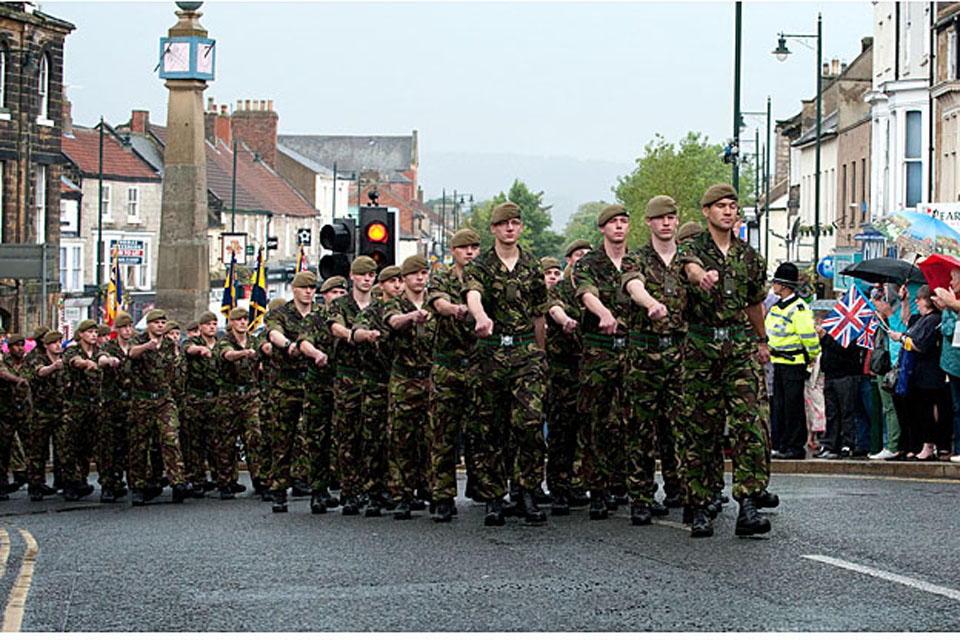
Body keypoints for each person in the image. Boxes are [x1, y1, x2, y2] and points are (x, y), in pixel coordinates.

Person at [678, 183, 773, 538]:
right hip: (702, 349)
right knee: (702, 428)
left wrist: (762, 340)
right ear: (706, 212)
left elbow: (753, 303)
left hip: (740, 349)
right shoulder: (693, 248)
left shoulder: (750, 257)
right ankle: (700, 505)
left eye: (733, 206)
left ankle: (748, 504)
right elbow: (689, 267)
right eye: (720, 206)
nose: (728, 211)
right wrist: (700, 277)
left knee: (750, 425)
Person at [463, 201, 549, 526]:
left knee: (529, 423)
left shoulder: (532, 266)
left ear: (521, 227)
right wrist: (481, 316)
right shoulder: (480, 266)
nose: (510, 228)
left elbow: (539, 313)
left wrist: (541, 355)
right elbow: (473, 293)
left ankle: (526, 490)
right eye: (503, 224)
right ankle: (494, 498)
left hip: (526, 354)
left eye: (515, 223)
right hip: (491, 354)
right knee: (491, 427)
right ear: (494, 230)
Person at [621, 195, 686, 525]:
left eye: (670, 217)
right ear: (648, 223)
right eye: (659, 218)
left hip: (681, 351)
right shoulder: (636, 260)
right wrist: (650, 304)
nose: (666, 222)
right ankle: (642, 496)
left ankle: (682, 488)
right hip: (645, 352)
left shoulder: (689, 260)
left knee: (681, 425)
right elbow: (634, 286)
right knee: (641, 427)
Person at [573, 203, 633, 520]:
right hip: (599, 348)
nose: (619, 227)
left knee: (627, 418)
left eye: (624, 222)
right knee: (596, 419)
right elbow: (586, 292)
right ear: (602, 229)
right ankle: (596, 488)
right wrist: (604, 313)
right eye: (613, 223)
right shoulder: (590, 263)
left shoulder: (637, 262)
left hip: (632, 349)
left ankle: (621, 482)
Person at [429, 229, 482, 521]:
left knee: (481, 431)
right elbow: (438, 303)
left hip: (478, 363)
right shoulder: (442, 277)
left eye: (474, 247)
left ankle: (483, 486)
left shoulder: (484, 279)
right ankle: (442, 495)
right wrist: (456, 309)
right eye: (464, 248)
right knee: (444, 433)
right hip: (448, 364)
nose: (470, 252)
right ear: (453, 250)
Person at [264, 271, 324, 513]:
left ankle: (318, 489)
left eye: (312, 288)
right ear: (294, 289)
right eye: (304, 287)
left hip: (313, 382)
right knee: (283, 437)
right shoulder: (281, 313)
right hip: (286, 384)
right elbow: (274, 333)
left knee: (316, 436)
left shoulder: (320, 315)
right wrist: (288, 345)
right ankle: (278, 490)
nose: (309, 292)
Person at [383, 255, 436, 519]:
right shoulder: (394, 304)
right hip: (404, 379)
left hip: (430, 377)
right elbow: (393, 322)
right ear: (404, 279)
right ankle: (402, 494)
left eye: (423, 273)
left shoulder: (435, 303)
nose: (419, 278)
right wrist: (411, 317)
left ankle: (430, 487)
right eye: (414, 273)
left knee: (433, 437)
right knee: (401, 438)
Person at [327, 256, 378, 515]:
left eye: (371, 275)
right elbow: (335, 327)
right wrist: (353, 335)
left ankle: (370, 489)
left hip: (373, 375)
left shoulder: (380, 304)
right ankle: (349, 490)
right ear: (353, 276)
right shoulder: (340, 305)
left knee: (372, 434)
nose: (368, 279)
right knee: (347, 434)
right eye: (363, 274)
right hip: (348, 376)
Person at [543, 239, 590, 515]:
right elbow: (554, 309)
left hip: (589, 366)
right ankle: (559, 487)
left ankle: (579, 482)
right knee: (561, 429)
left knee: (588, 429)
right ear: (568, 260)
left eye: (587, 255)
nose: (582, 259)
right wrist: (565, 322)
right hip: (562, 368)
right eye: (578, 255)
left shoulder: (594, 290)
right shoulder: (558, 289)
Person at [352, 266, 402, 517]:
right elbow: (356, 331)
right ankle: (372, 490)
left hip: (402, 381)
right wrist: (367, 335)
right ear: (381, 285)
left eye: (400, 281)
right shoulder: (372, 312)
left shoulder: (407, 309)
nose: (397, 286)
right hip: (376, 382)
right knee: (373, 437)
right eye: (392, 281)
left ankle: (399, 489)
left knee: (400, 439)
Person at [128, 309, 189, 505]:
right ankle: (138, 485)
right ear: (149, 325)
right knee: (140, 443)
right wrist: (147, 346)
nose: (160, 325)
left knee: (171, 438)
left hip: (164, 399)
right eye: (156, 322)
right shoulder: (139, 340)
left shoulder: (170, 344)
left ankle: (177, 482)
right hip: (142, 400)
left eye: (163, 322)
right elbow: (131, 354)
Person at [298, 275, 347, 513]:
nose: (338, 297)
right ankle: (318, 490)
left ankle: (349, 489)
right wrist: (315, 353)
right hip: (320, 385)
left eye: (341, 293)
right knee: (318, 437)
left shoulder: (350, 317)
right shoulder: (315, 319)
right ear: (324, 295)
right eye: (333, 293)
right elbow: (304, 342)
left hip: (347, 385)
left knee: (346, 438)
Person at [766, 262, 821, 460]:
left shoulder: (798, 308)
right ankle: (781, 444)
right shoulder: (776, 307)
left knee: (793, 407)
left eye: (776, 282)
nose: (773, 285)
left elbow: (808, 335)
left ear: (784, 285)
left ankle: (795, 446)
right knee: (780, 405)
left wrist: (813, 355)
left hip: (793, 362)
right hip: (777, 362)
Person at [216, 307, 265, 500]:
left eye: (245, 319)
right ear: (232, 323)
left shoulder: (254, 340)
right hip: (229, 395)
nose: (243, 323)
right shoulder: (226, 341)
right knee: (226, 440)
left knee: (255, 436)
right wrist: (243, 353)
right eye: (239, 320)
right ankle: (226, 481)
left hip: (251, 395)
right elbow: (227, 355)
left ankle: (260, 479)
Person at [893, 285, 944, 460]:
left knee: (926, 410)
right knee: (916, 410)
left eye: (920, 299)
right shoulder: (921, 319)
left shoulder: (933, 320)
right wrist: (904, 300)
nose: (917, 302)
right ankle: (917, 444)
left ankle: (929, 445)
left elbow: (919, 345)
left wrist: (901, 338)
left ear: (928, 301)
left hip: (928, 372)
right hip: (915, 373)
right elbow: (907, 320)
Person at [61, 320, 105, 501]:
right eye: (90, 332)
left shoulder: (98, 351)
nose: (93, 335)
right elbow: (73, 361)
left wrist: (105, 361)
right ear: (81, 334)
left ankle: (82, 478)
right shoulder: (74, 350)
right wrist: (85, 363)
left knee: (90, 445)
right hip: (77, 404)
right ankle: (71, 482)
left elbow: (103, 357)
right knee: (72, 445)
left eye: (95, 332)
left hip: (95, 404)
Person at [182, 312, 222, 497]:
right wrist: (201, 350)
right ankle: (197, 479)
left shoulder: (222, 344)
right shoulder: (193, 343)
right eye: (208, 324)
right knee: (195, 442)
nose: (212, 327)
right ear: (201, 328)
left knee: (217, 440)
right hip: (196, 399)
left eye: (214, 324)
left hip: (215, 398)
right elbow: (188, 349)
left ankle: (219, 477)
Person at [815, 313, 864, 459]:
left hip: (845, 375)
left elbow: (845, 350)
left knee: (846, 411)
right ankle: (831, 444)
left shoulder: (849, 332)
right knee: (832, 413)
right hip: (830, 375)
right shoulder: (830, 335)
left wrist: (826, 338)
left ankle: (847, 443)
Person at [97, 311, 135, 501]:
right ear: (117, 330)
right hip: (112, 402)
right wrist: (108, 361)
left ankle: (132, 482)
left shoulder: (136, 346)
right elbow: (101, 358)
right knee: (109, 445)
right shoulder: (109, 346)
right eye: (124, 327)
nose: (128, 330)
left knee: (131, 444)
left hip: (131, 402)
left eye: (130, 327)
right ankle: (109, 484)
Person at [26, 330, 63, 501]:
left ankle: (62, 481)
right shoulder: (38, 359)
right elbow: (39, 372)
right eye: (54, 342)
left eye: (59, 342)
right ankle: (35, 484)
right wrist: (53, 367)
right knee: (38, 450)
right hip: (41, 411)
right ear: (46, 345)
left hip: (60, 410)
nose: (58, 345)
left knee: (62, 448)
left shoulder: (64, 361)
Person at [0, 334, 33, 499]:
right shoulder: (4, 362)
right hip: (7, 411)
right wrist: (18, 380)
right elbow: (3, 373)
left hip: (25, 411)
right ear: (10, 347)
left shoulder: (28, 363)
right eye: (16, 346)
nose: (20, 348)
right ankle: (2, 483)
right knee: (4, 449)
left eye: (22, 345)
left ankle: (35, 482)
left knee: (31, 446)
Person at [934, 269, 960, 462]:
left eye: (954, 278)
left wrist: (950, 308)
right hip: (952, 364)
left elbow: (950, 331)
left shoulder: (953, 306)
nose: (951, 281)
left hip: (955, 362)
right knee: (956, 407)